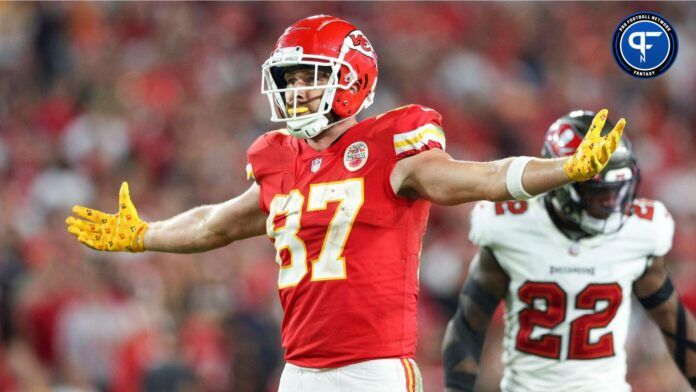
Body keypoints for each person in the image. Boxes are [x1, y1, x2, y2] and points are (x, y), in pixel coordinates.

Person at [65, 15, 625, 392]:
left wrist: (559, 171)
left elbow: (469, 179)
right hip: (300, 372)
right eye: (287, 79)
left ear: (351, 80)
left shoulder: (391, 143)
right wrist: (143, 234)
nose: (293, 92)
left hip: (372, 372)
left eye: (307, 78)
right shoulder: (277, 156)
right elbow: (216, 223)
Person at [442, 110, 696, 392]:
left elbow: (676, 325)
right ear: (561, 182)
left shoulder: (639, 231)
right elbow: (470, 323)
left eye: (617, 190)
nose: (611, 202)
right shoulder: (510, 226)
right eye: (598, 192)